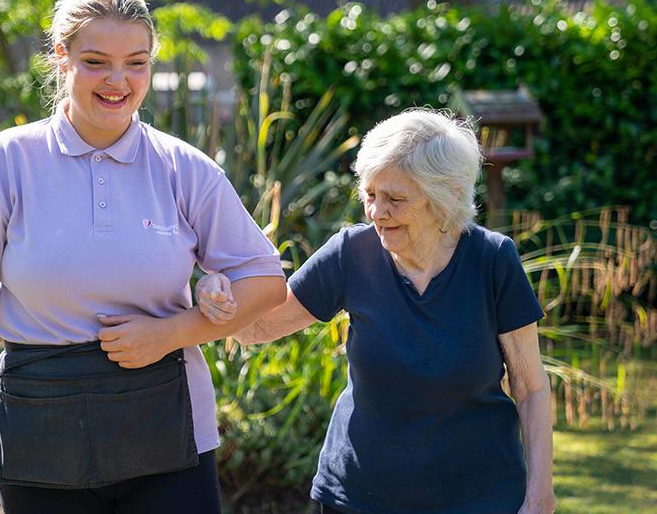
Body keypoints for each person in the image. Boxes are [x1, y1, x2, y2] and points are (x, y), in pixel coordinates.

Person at [0, 0, 286, 514]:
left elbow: (266, 285)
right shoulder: (3, 163)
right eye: (96, 61)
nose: (118, 80)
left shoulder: (184, 169)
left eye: (137, 62)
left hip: (171, 431)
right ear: (61, 58)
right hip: (39, 428)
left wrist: (172, 332)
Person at [196, 109, 556, 514]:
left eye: (395, 199)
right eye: (370, 194)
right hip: (359, 499)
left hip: (478, 497)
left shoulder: (492, 260)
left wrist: (540, 493)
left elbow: (530, 388)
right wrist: (220, 289)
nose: (376, 213)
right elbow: (255, 328)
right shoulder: (352, 253)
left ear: (449, 195)